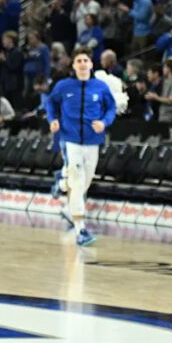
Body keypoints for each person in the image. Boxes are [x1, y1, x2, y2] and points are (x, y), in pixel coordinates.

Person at [45, 48, 118, 247]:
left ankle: (61, 183)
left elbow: (111, 108)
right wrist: (53, 120)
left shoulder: (101, 87)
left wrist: (104, 122)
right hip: (71, 141)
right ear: (74, 65)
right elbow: (50, 103)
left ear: (91, 64)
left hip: (93, 142)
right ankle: (81, 229)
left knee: (84, 183)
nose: (83, 63)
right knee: (78, 185)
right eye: (79, 60)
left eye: (86, 60)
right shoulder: (64, 86)